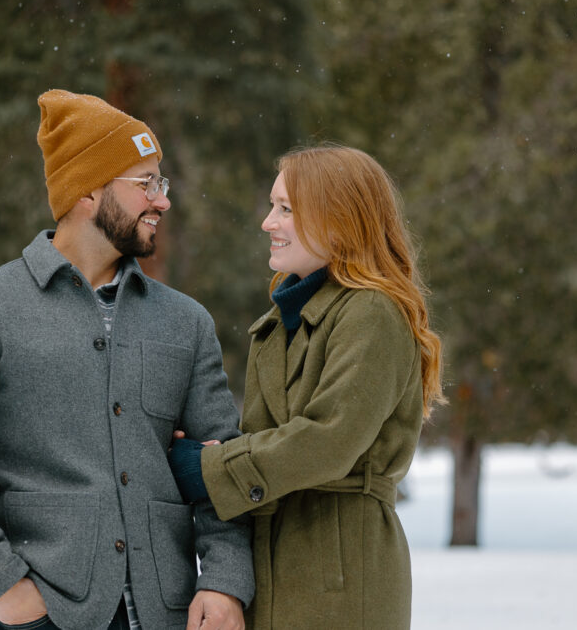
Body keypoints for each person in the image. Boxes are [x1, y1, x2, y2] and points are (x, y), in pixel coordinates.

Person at [0, 89, 253, 630]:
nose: (162, 200)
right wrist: (1, 585)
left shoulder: (186, 322)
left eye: (160, 183)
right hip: (40, 614)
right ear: (89, 192)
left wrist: (225, 581)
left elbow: (224, 466)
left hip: (168, 615)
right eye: (146, 184)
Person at [168, 144, 446, 629]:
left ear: (339, 218)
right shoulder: (277, 325)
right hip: (274, 566)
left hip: (342, 570)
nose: (268, 223)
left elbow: (329, 440)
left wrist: (209, 468)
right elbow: (266, 444)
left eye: (286, 209)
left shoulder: (372, 313)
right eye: (273, 206)